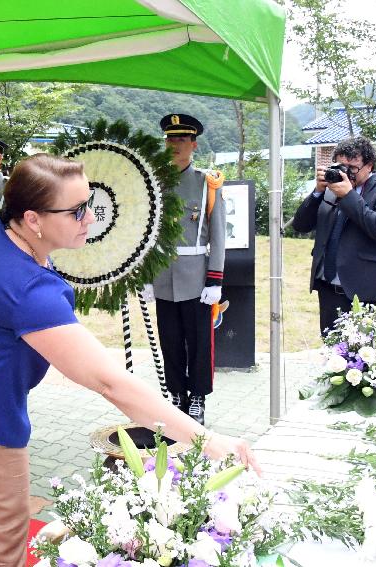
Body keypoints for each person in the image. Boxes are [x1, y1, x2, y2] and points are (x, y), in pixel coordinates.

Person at [0, 154, 258, 565]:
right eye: (76, 211)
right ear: (34, 218)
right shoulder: (27, 291)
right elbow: (111, 383)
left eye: (88, 202)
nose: (90, 217)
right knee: (0, 545)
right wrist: (207, 442)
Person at [151, 113, 226, 425]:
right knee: (169, 340)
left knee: (198, 342)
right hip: (162, 277)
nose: (175, 145)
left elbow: (219, 233)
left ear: (193, 144)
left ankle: (197, 397)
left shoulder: (206, 184)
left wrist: (215, 279)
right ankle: (176, 395)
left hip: (196, 278)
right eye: (170, 138)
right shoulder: (153, 183)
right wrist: (145, 275)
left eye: (181, 139)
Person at [291, 137, 376, 335]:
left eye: (352, 167)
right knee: (332, 352)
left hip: (365, 289)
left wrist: (349, 195)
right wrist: (317, 192)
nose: (345, 173)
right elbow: (301, 225)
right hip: (328, 287)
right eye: (340, 166)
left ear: (369, 166)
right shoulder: (330, 187)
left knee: (366, 356)